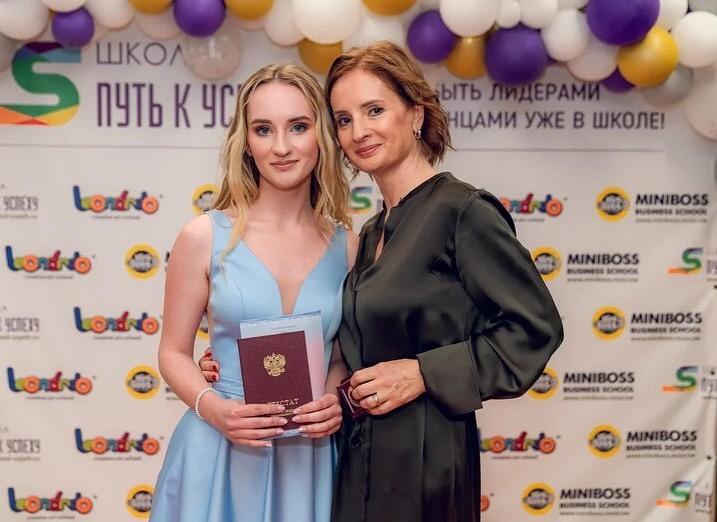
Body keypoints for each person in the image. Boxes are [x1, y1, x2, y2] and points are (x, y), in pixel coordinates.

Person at [201, 41, 564, 522]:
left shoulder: (462, 211)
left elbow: (535, 328)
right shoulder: (371, 232)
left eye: (374, 110)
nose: (359, 132)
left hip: (427, 460)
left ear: (416, 114)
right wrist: (229, 361)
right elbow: (348, 345)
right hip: (356, 458)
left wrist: (423, 373)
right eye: (344, 119)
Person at [150, 63, 357, 522]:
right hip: (218, 451)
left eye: (298, 126)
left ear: (321, 135)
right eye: (264, 129)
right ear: (246, 142)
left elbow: (340, 355)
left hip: (309, 457)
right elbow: (173, 353)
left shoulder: (349, 247)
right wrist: (215, 410)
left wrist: (332, 399)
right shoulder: (203, 236)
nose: (281, 147)